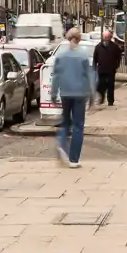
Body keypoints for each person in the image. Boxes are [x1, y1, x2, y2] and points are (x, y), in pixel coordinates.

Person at [49, 27, 94, 168]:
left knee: (65, 122)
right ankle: (74, 159)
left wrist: (53, 93)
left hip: (65, 93)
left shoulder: (61, 55)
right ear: (79, 39)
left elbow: (55, 75)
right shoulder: (83, 55)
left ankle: (62, 144)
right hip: (80, 94)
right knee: (78, 126)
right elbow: (89, 76)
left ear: (68, 38)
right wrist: (92, 94)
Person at [93, 29, 123, 107]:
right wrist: (95, 66)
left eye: (108, 37)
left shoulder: (115, 47)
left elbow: (119, 57)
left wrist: (116, 66)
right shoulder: (98, 46)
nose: (106, 38)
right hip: (101, 69)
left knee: (110, 85)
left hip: (111, 69)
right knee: (101, 85)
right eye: (105, 37)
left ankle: (110, 101)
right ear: (103, 37)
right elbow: (95, 58)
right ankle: (101, 98)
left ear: (110, 37)